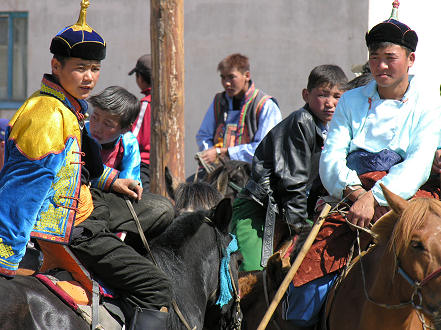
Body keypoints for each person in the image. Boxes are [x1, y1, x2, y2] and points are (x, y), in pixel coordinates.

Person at [0, 2, 173, 329]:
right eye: (80, 68)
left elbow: (83, 167)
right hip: (69, 226)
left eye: (94, 69)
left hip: (87, 201)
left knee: (162, 208)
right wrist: (6, 256)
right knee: (157, 286)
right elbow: (20, 192)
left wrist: (112, 181)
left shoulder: (68, 106)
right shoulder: (47, 116)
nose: (89, 77)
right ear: (57, 64)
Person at [320, 3, 441, 229]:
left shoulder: (428, 101)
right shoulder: (349, 99)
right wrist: (357, 194)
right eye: (374, 57)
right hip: (350, 194)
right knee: (310, 258)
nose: (381, 66)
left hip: (405, 195)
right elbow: (331, 154)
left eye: (390, 57)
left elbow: (419, 161)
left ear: (410, 59)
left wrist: (374, 198)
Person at [230, 64, 348, 273]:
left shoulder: (331, 130)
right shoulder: (301, 122)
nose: (330, 103)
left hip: (293, 211)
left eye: (337, 96)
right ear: (306, 94)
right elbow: (293, 181)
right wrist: (301, 228)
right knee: (253, 275)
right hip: (260, 212)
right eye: (323, 95)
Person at [196, 53, 282, 167]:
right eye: (223, 77)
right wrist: (209, 155)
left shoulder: (265, 105)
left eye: (231, 77)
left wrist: (222, 153)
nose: (226, 83)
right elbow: (203, 135)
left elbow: (265, 149)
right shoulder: (218, 102)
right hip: (218, 171)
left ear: (247, 76)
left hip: (253, 174)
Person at [86, 86, 142, 189]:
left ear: (125, 128)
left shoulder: (128, 143)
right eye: (94, 117)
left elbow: (130, 183)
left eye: (107, 124)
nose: (97, 128)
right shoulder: (81, 132)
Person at [128, 54, 152, 188]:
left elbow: (133, 137)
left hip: (144, 166)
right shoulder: (167, 103)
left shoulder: (145, 104)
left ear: (140, 78)